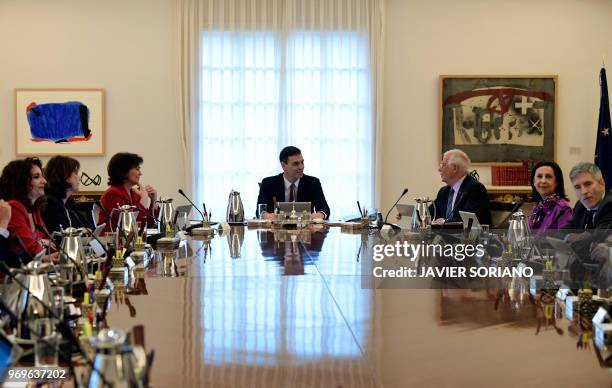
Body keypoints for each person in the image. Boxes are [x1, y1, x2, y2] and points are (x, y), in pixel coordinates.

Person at [0, 158, 57, 261]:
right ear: (21, 181)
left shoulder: (34, 209)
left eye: (42, 176)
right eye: (36, 177)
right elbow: (32, 249)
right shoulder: (13, 207)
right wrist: (42, 242)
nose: (44, 181)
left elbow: (51, 243)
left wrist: (42, 243)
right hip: (17, 273)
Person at [256, 146, 330, 220]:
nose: (301, 167)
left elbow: (324, 208)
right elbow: (260, 211)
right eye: (296, 164)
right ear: (283, 165)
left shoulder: (313, 182)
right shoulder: (268, 183)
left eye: (302, 162)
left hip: (305, 229)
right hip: (276, 229)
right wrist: (266, 215)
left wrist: (320, 215)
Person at [98, 152, 158, 232]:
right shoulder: (112, 194)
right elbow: (129, 225)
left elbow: (149, 224)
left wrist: (153, 201)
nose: (140, 173)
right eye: (137, 169)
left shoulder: (134, 193)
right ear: (124, 171)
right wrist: (144, 199)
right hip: (111, 242)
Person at [430, 149, 491, 226]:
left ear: (454, 168)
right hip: (444, 237)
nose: (439, 169)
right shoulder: (444, 192)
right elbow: (430, 214)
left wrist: (444, 222)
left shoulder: (475, 189)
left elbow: (469, 222)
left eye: (443, 165)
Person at [41, 155, 89, 233]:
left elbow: (88, 226)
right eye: (76, 173)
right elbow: (57, 235)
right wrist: (79, 232)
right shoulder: (49, 204)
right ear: (66, 177)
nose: (79, 178)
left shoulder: (69, 202)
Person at [527, 161, 573, 236]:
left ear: (556, 182)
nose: (543, 181)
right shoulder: (538, 206)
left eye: (548, 176)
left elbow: (563, 242)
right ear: (534, 182)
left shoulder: (563, 209)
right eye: (539, 176)